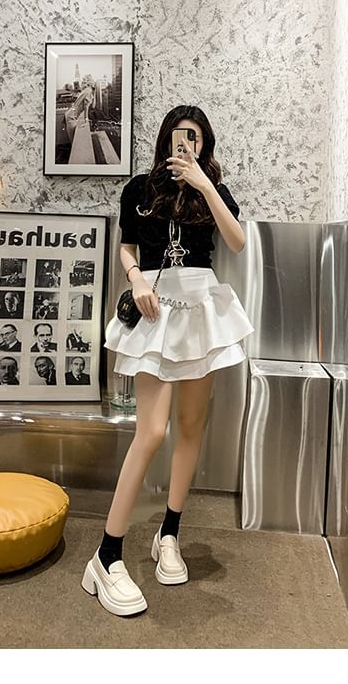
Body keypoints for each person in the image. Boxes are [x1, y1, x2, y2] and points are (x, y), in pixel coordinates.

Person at [81, 105, 255, 617]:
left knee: (192, 427)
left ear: (205, 145)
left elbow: (237, 242)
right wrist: (135, 278)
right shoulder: (139, 188)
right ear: (166, 138)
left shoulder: (213, 189)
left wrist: (203, 184)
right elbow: (127, 248)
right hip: (157, 308)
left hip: (201, 310)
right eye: (182, 136)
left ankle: (169, 533)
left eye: (196, 138)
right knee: (152, 431)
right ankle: (106, 554)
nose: (188, 145)